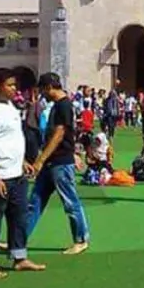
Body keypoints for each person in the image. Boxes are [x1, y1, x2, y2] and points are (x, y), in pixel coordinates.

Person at [0, 71, 45, 278]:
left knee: (19, 217)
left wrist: (22, 162)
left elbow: (10, 139)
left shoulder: (11, 107)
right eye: (10, 85)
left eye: (15, 85)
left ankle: (19, 257)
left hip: (17, 174)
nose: (14, 89)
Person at [25, 72, 91, 256]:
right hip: (52, 161)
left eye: (42, 90)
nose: (41, 95)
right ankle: (19, 240)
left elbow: (60, 134)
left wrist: (40, 159)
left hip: (60, 162)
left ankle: (81, 239)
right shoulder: (57, 105)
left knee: (70, 201)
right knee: (35, 201)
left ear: (49, 87)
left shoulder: (64, 105)